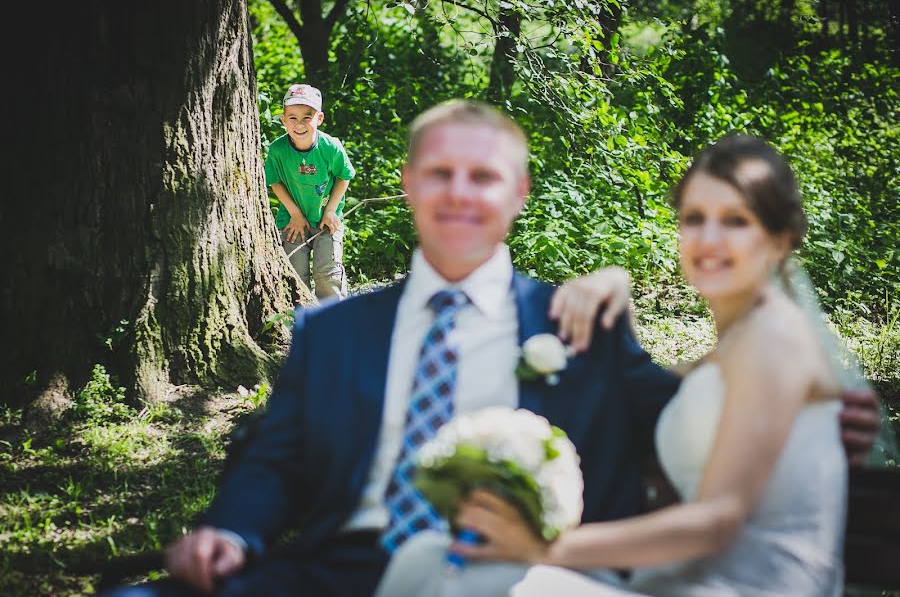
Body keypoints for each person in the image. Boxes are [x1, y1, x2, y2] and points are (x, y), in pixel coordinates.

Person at [103, 106, 876, 597]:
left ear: (521, 193)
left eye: (485, 175)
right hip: (333, 572)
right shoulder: (329, 331)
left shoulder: (581, 323)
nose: (461, 193)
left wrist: (817, 417)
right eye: (440, 172)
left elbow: (693, 421)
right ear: (405, 184)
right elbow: (273, 459)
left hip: (517, 573)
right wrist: (229, 532)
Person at [376, 134, 868, 597]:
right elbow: (659, 382)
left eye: (736, 221)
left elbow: (718, 520)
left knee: (477, 583)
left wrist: (545, 550)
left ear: (780, 239)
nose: (709, 239)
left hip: (747, 588)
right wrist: (614, 282)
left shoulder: (773, 337)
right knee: (423, 557)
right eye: (694, 218)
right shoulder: (736, 343)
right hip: (683, 579)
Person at [266, 83, 355, 300]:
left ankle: (332, 318)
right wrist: (295, 214)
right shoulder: (278, 150)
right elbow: (274, 181)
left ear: (319, 119)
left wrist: (331, 210)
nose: (299, 124)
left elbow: (344, 176)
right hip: (292, 219)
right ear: (283, 119)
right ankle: (301, 322)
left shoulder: (330, 146)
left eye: (307, 117)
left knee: (327, 273)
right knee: (295, 274)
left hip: (326, 218)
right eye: (293, 117)